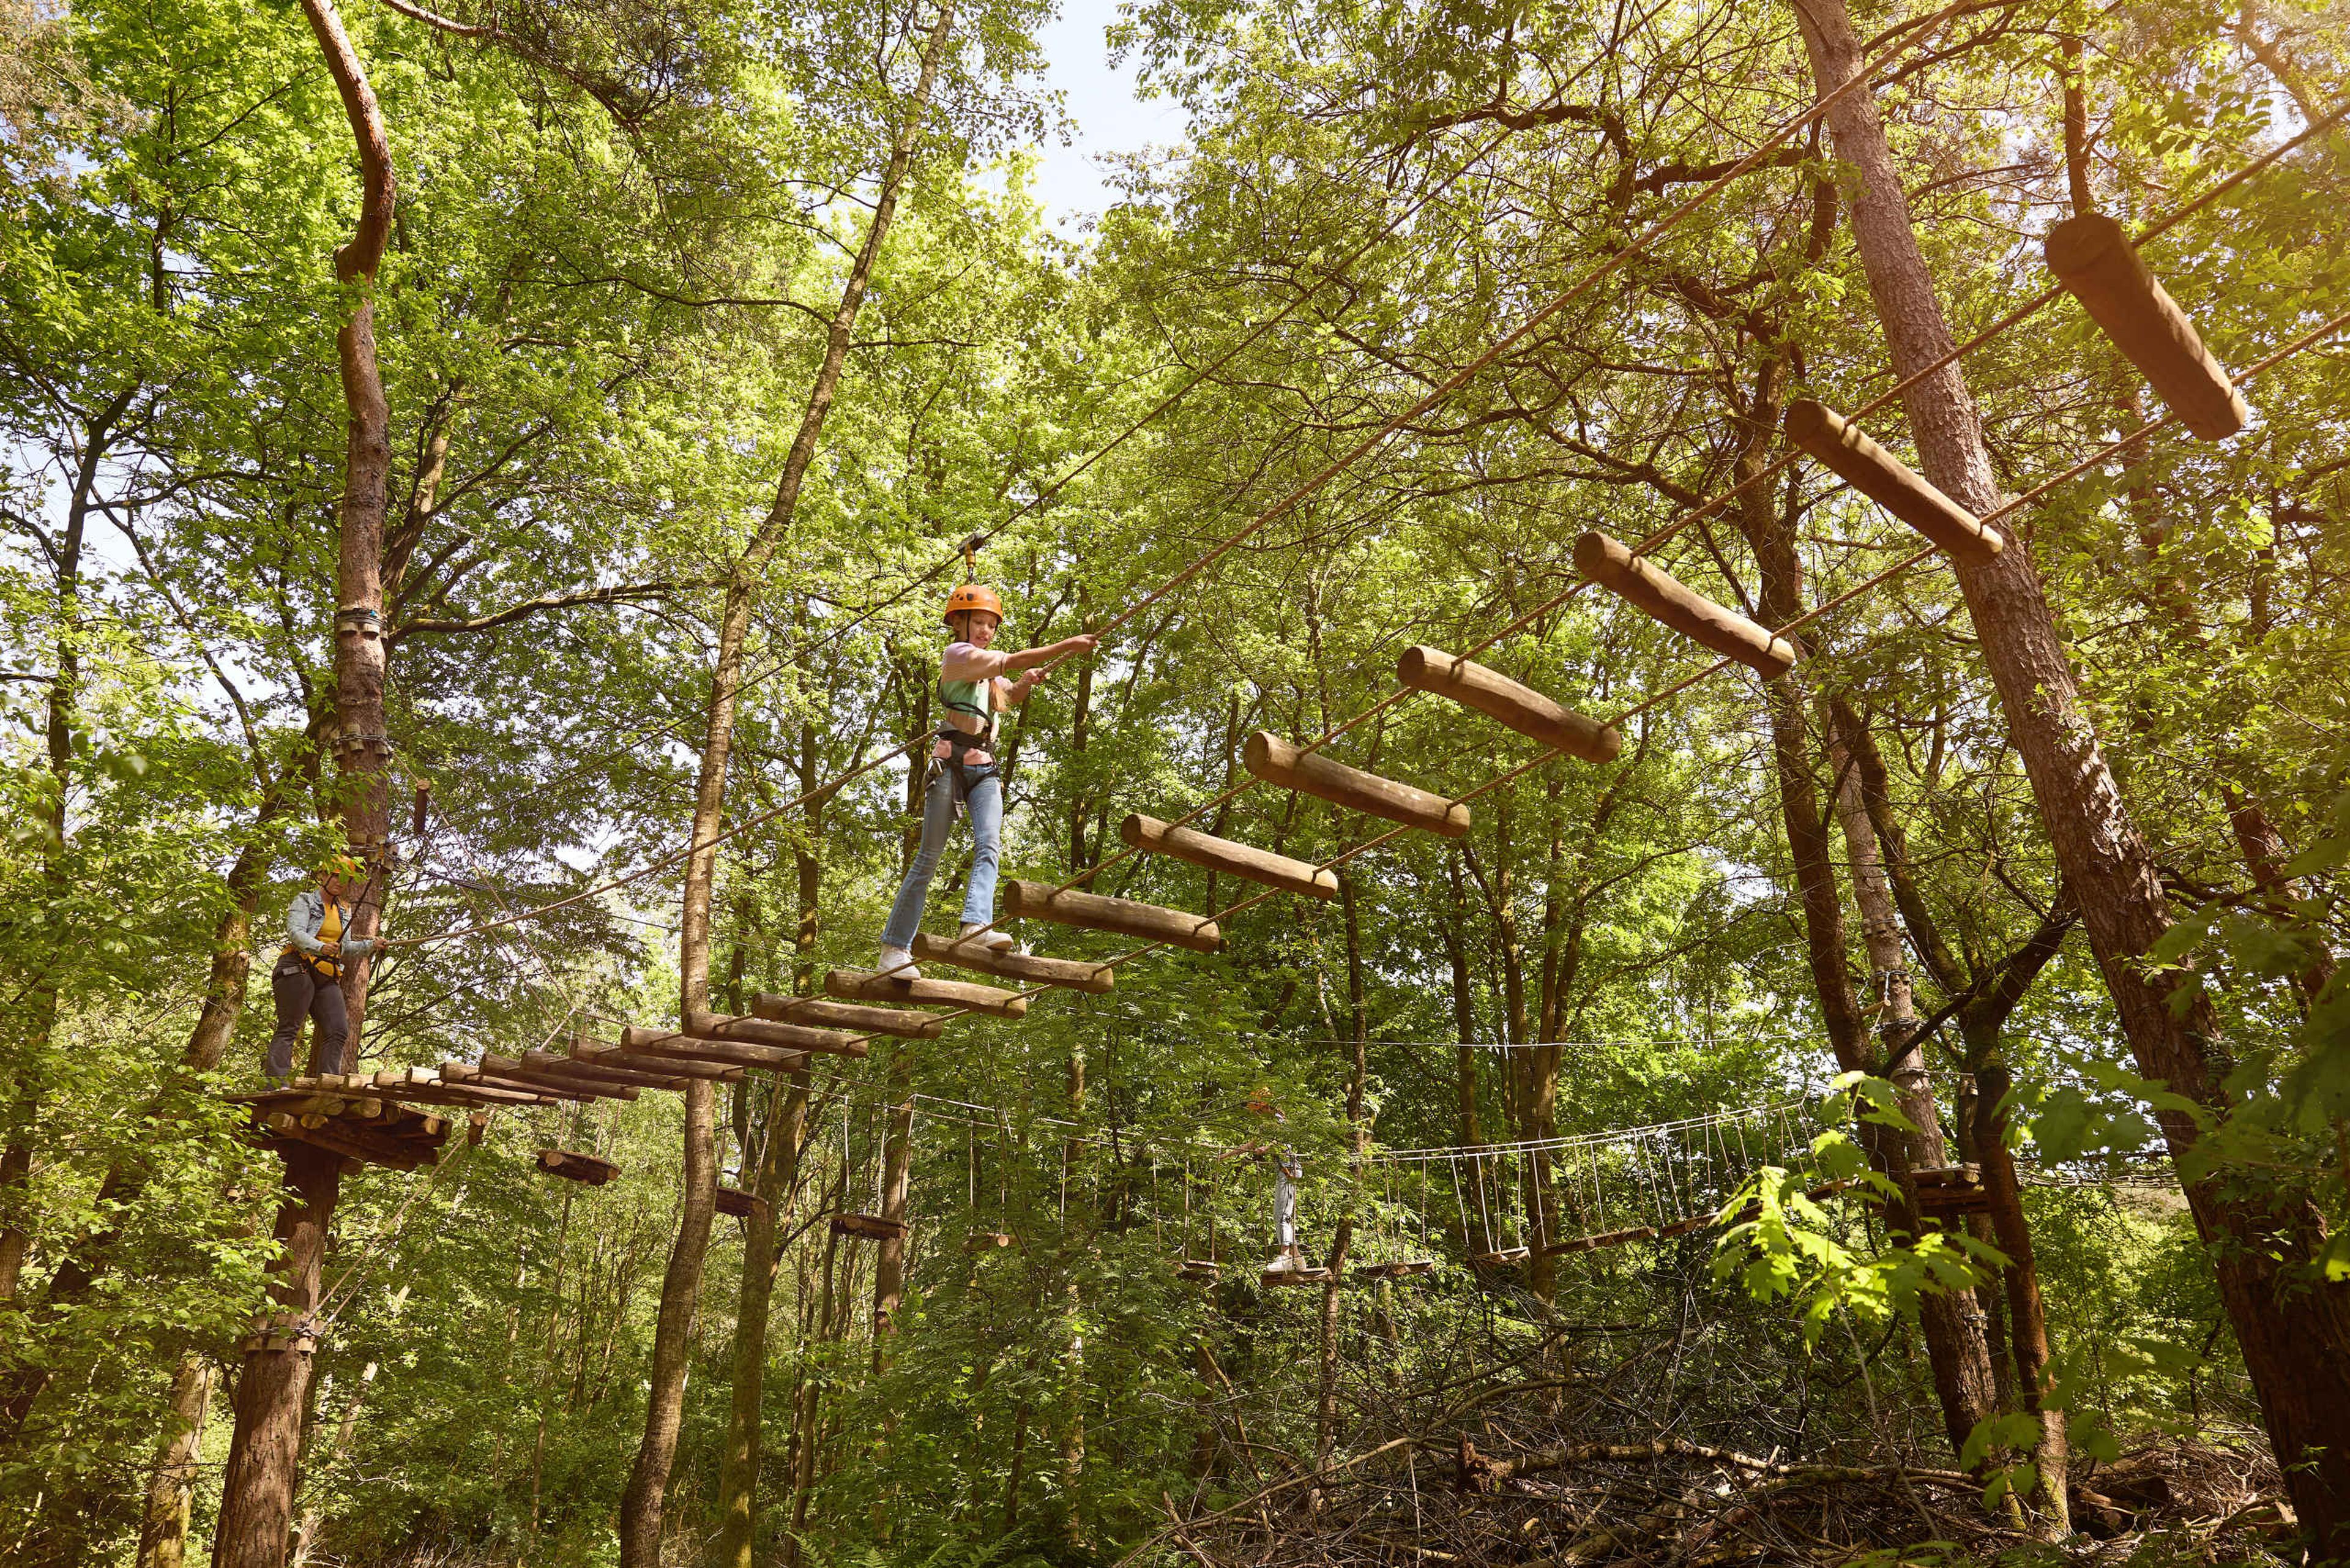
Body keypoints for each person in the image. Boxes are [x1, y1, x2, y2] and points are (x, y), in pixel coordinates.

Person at [876, 584, 1097, 979]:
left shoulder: (983, 674)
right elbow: (1010, 661)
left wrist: (1026, 682)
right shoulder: (958, 656)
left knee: (990, 843)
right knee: (928, 860)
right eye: (979, 622)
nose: (986, 630)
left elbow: (1006, 694)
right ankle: (894, 949)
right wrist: (1065, 645)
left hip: (984, 768)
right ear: (959, 624)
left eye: (991, 625)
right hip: (951, 764)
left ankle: (975, 925)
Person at [267, 854, 383, 1082]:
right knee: (290, 1028)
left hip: (325, 975)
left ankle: (329, 1084)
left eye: (347, 879)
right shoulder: (305, 901)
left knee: (338, 1030)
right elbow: (296, 933)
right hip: (297, 967)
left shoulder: (343, 910)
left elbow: (346, 947)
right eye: (336, 876)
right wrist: (321, 947)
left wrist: (372, 945)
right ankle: (274, 1084)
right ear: (322, 875)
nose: (341, 882)